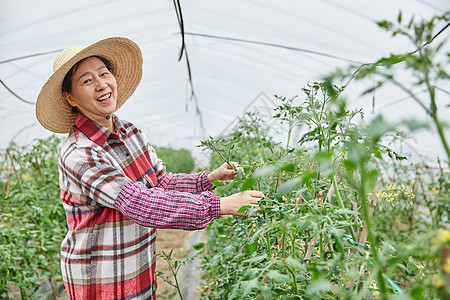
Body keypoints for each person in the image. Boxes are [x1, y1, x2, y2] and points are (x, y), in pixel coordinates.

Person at [35, 37, 264, 300]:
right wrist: (219, 205)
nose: (101, 84)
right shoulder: (80, 153)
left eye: (103, 73)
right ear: (70, 98)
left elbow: (160, 183)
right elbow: (140, 202)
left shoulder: (132, 133)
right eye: (87, 81)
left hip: (139, 271)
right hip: (101, 282)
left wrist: (208, 179)